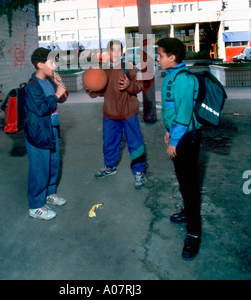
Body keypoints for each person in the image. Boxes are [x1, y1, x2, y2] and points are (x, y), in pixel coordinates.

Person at [157, 37, 202, 260]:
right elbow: (170, 109)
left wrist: (174, 140)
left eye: (161, 55)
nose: (158, 58)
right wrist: (168, 130)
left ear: (172, 58)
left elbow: (184, 115)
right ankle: (187, 211)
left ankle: (194, 235)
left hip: (186, 137)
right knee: (184, 181)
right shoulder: (170, 76)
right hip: (177, 133)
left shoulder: (183, 80)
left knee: (190, 186)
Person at [84, 40, 146, 189]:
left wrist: (128, 85)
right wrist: (92, 91)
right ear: (108, 52)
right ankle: (110, 167)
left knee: (135, 142)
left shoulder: (129, 68)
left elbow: (139, 86)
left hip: (128, 112)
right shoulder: (103, 70)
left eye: (119, 50)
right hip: (110, 113)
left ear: (122, 52)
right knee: (110, 142)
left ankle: (138, 172)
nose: (116, 53)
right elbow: (101, 90)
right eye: (113, 50)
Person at [24, 47, 68, 220]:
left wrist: (59, 87)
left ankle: (49, 193)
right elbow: (41, 108)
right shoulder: (32, 86)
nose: (55, 65)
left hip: (52, 130)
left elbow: (62, 99)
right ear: (40, 64)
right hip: (38, 134)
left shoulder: (49, 81)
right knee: (39, 168)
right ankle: (35, 206)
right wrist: (56, 95)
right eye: (52, 62)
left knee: (53, 163)